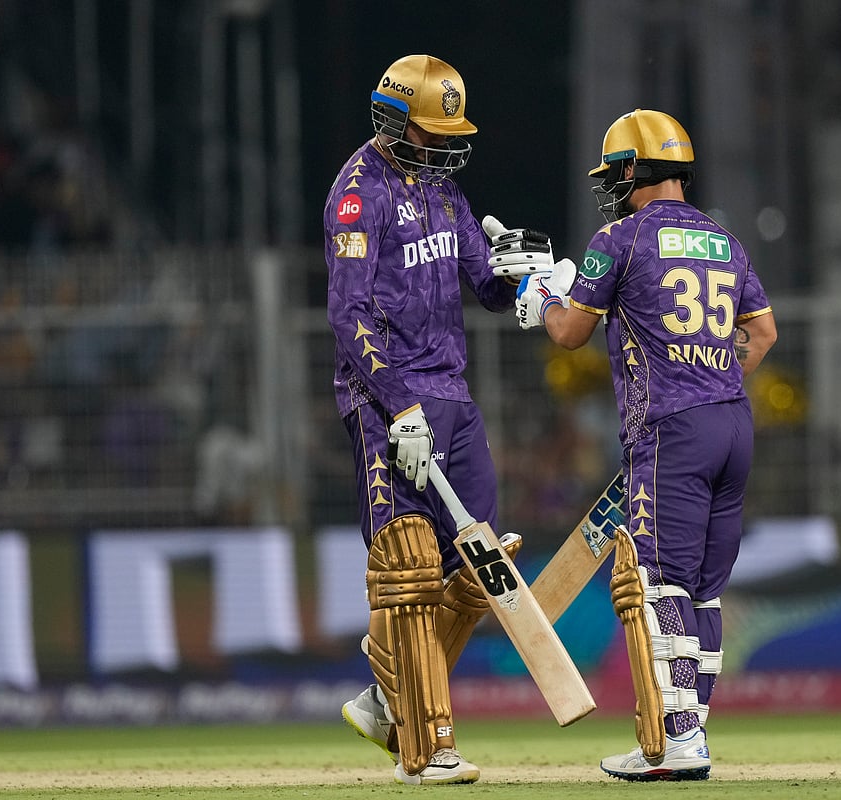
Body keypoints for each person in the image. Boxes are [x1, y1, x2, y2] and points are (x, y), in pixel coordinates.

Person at [511, 109, 778, 781]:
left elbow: (571, 332)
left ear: (633, 169)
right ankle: (690, 732)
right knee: (706, 594)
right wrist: (712, 377)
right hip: (733, 423)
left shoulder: (619, 237)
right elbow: (766, 334)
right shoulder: (725, 239)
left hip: (673, 430)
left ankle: (680, 738)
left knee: (662, 583)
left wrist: (537, 296)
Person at [324, 53, 553, 786]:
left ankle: (387, 693)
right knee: (407, 569)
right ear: (395, 123)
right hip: (389, 401)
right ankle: (427, 751)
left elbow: (483, 285)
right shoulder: (358, 194)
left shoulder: (443, 190)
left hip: (452, 393)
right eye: (433, 129)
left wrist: (522, 274)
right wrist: (399, 407)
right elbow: (348, 312)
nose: (446, 142)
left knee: (478, 568)